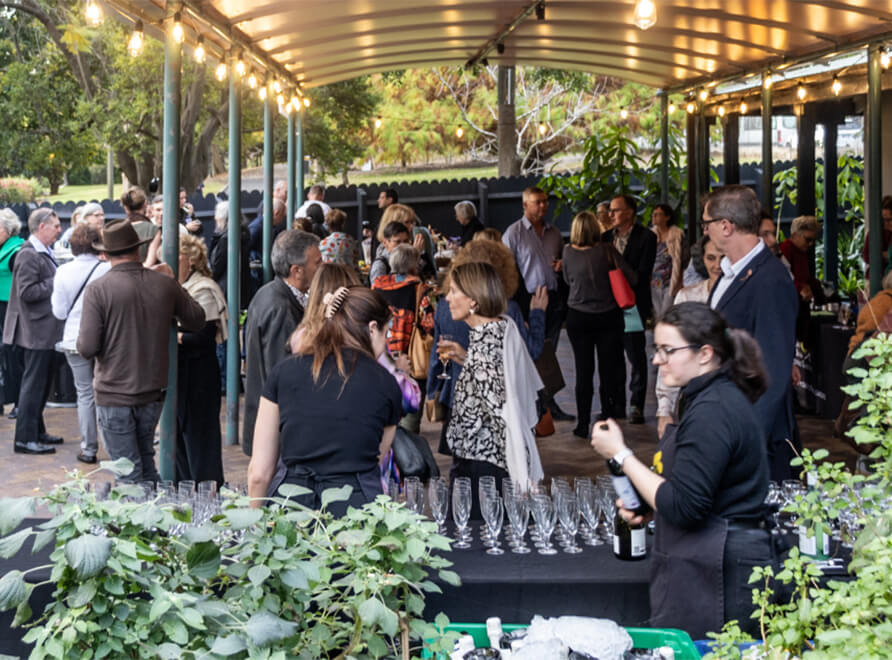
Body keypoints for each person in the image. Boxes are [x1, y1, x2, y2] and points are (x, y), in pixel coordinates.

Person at [591, 302, 772, 639]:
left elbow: (685, 506)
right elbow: (694, 482)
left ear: (705, 353)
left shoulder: (713, 410)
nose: (657, 360)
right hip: (707, 563)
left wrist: (621, 454)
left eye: (667, 350)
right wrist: (648, 504)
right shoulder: (704, 398)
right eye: (656, 349)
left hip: (720, 574)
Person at [248, 286, 402, 514]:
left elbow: (259, 473)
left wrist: (255, 528)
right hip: (356, 514)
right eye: (386, 333)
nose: (386, 342)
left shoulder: (283, 372)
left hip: (290, 509)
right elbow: (376, 460)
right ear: (372, 328)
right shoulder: (386, 383)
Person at [77, 220, 206, 482]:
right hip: (152, 392)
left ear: (106, 254)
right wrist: (173, 283)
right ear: (138, 249)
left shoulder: (98, 290)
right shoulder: (163, 284)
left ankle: (146, 522)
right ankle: (155, 521)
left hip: (115, 392)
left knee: (129, 474)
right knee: (145, 464)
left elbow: (87, 347)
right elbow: (196, 318)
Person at [704, 185, 799, 481]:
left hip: (756, 440)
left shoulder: (771, 279)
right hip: (724, 422)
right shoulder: (732, 271)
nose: (705, 231)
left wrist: (746, 442)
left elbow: (774, 371)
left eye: (706, 224)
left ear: (725, 226)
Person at [441, 262, 544, 518]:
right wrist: (467, 360)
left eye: (454, 291)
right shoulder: (501, 329)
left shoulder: (486, 346)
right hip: (487, 464)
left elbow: (505, 411)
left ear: (473, 300)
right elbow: (503, 383)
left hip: (484, 471)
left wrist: (523, 471)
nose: (447, 298)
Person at [242, 230, 321, 456]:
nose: (321, 268)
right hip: (278, 433)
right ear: (297, 270)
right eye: (317, 263)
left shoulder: (270, 293)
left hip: (274, 428)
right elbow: (285, 375)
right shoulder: (280, 308)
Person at [502, 186, 573, 422]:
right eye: (536, 202)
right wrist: (518, 308)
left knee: (547, 354)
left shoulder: (554, 233)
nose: (543, 206)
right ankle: (539, 407)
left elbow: (562, 261)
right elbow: (507, 272)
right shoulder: (513, 234)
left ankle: (547, 404)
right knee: (535, 354)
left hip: (553, 299)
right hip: (528, 301)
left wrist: (562, 266)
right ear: (525, 205)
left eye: (544, 201)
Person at [562, 211, 633, 438]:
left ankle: (583, 424)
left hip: (578, 316)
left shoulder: (567, 252)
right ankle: (607, 418)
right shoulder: (607, 251)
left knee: (583, 371)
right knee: (607, 369)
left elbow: (566, 279)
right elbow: (631, 276)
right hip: (607, 316)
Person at [3, 208, 64, 454]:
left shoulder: (41, 251)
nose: (60, 230)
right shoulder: (28, 255)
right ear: (42, 227)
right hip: (34, 330)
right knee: (33, 385)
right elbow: (27, 292)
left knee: (41, 383)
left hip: (42, 329)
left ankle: (37, 431)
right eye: (56, 226)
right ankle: (24, 438)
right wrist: (57, 281)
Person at [51, 225, 110, 464]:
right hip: (105, 338)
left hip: (74, 337)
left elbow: (59, 312)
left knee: (84, 394)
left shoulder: (63, 272)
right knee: (106, 392)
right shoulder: (107, 269)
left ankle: (88, 448)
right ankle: (112, 445)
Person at [655, 234, 723, 437]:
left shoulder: (743, 297)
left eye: (723, 257)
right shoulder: (687, 296)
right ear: (702, 259)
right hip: (693, 394)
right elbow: (670, 350)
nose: (717, 265)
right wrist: (664, 409)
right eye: (711, 258)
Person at [175, 233, 228, 485]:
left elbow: (204, 336)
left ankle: (207, 496)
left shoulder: (203, 288)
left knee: (200, 439)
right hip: (179, 376)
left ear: (192, 260)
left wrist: (173, 337)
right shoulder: (175, 287)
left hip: (199, 377)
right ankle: (184, 493)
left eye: (176, 256)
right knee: (178, 439)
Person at [603, 194, 657, 425]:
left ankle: (636, 404)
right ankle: (616, 405)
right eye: (610, 210)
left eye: (615, 210)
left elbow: (641, 275)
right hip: (607, 305)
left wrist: (616, 261)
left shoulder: (647, 237)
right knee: (611, 356)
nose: (610, 214)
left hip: (633, 304)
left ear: (629, 212)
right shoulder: (605, 237)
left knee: (635, 355)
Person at [779, 215, 824, 344]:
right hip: (790, 310)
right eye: (808, 239)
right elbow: (783, 277)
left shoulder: (801, 252)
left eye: (813, 240)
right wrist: (801, 288)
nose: (811, 244)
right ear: (794, 235)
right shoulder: (786, 249)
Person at [0, 209, 25, 420]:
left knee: (13, 357)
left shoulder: (17, 249)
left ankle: (19, 402)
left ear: (7, 230)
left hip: (11, 311)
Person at [649, 203, 687, 320]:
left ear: (667, 217)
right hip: (653, 280)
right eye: (654, 214)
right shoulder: (650, 234)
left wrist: (680, 280)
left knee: (666, 312)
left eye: (659, 214)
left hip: (670, 280)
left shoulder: (677, 234)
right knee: (657, 313)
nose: (654, 216)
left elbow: (683, 259)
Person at [120, 188, 158, 262]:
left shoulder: (117, 229)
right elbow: (150, 262)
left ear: (126, 207)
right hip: (146, 272)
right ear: (145, 204)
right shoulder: (153, 229)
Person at [862, 195, 892, 279]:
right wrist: (884, 255)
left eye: (889, 219)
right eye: (882, 219)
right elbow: (866, 256)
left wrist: (884, 255)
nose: (885, 223)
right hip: (876, 276)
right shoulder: (875, 232)